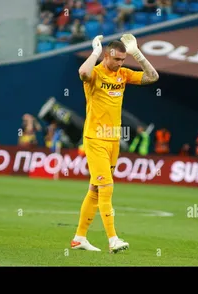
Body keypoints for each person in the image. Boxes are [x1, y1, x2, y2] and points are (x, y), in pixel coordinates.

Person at [71, 33, 159, 253]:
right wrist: (94, 52)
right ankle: (113, 239)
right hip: (95, 139)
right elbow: (82, 72)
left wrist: (137, 53)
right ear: (107, 55)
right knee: (106, 188)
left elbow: (153, 76)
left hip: (113, 140)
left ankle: (79, 238)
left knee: (95, 189)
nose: (120, 63)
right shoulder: (95, 74)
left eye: (123, 60)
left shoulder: (123, 74)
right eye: (117, 59)